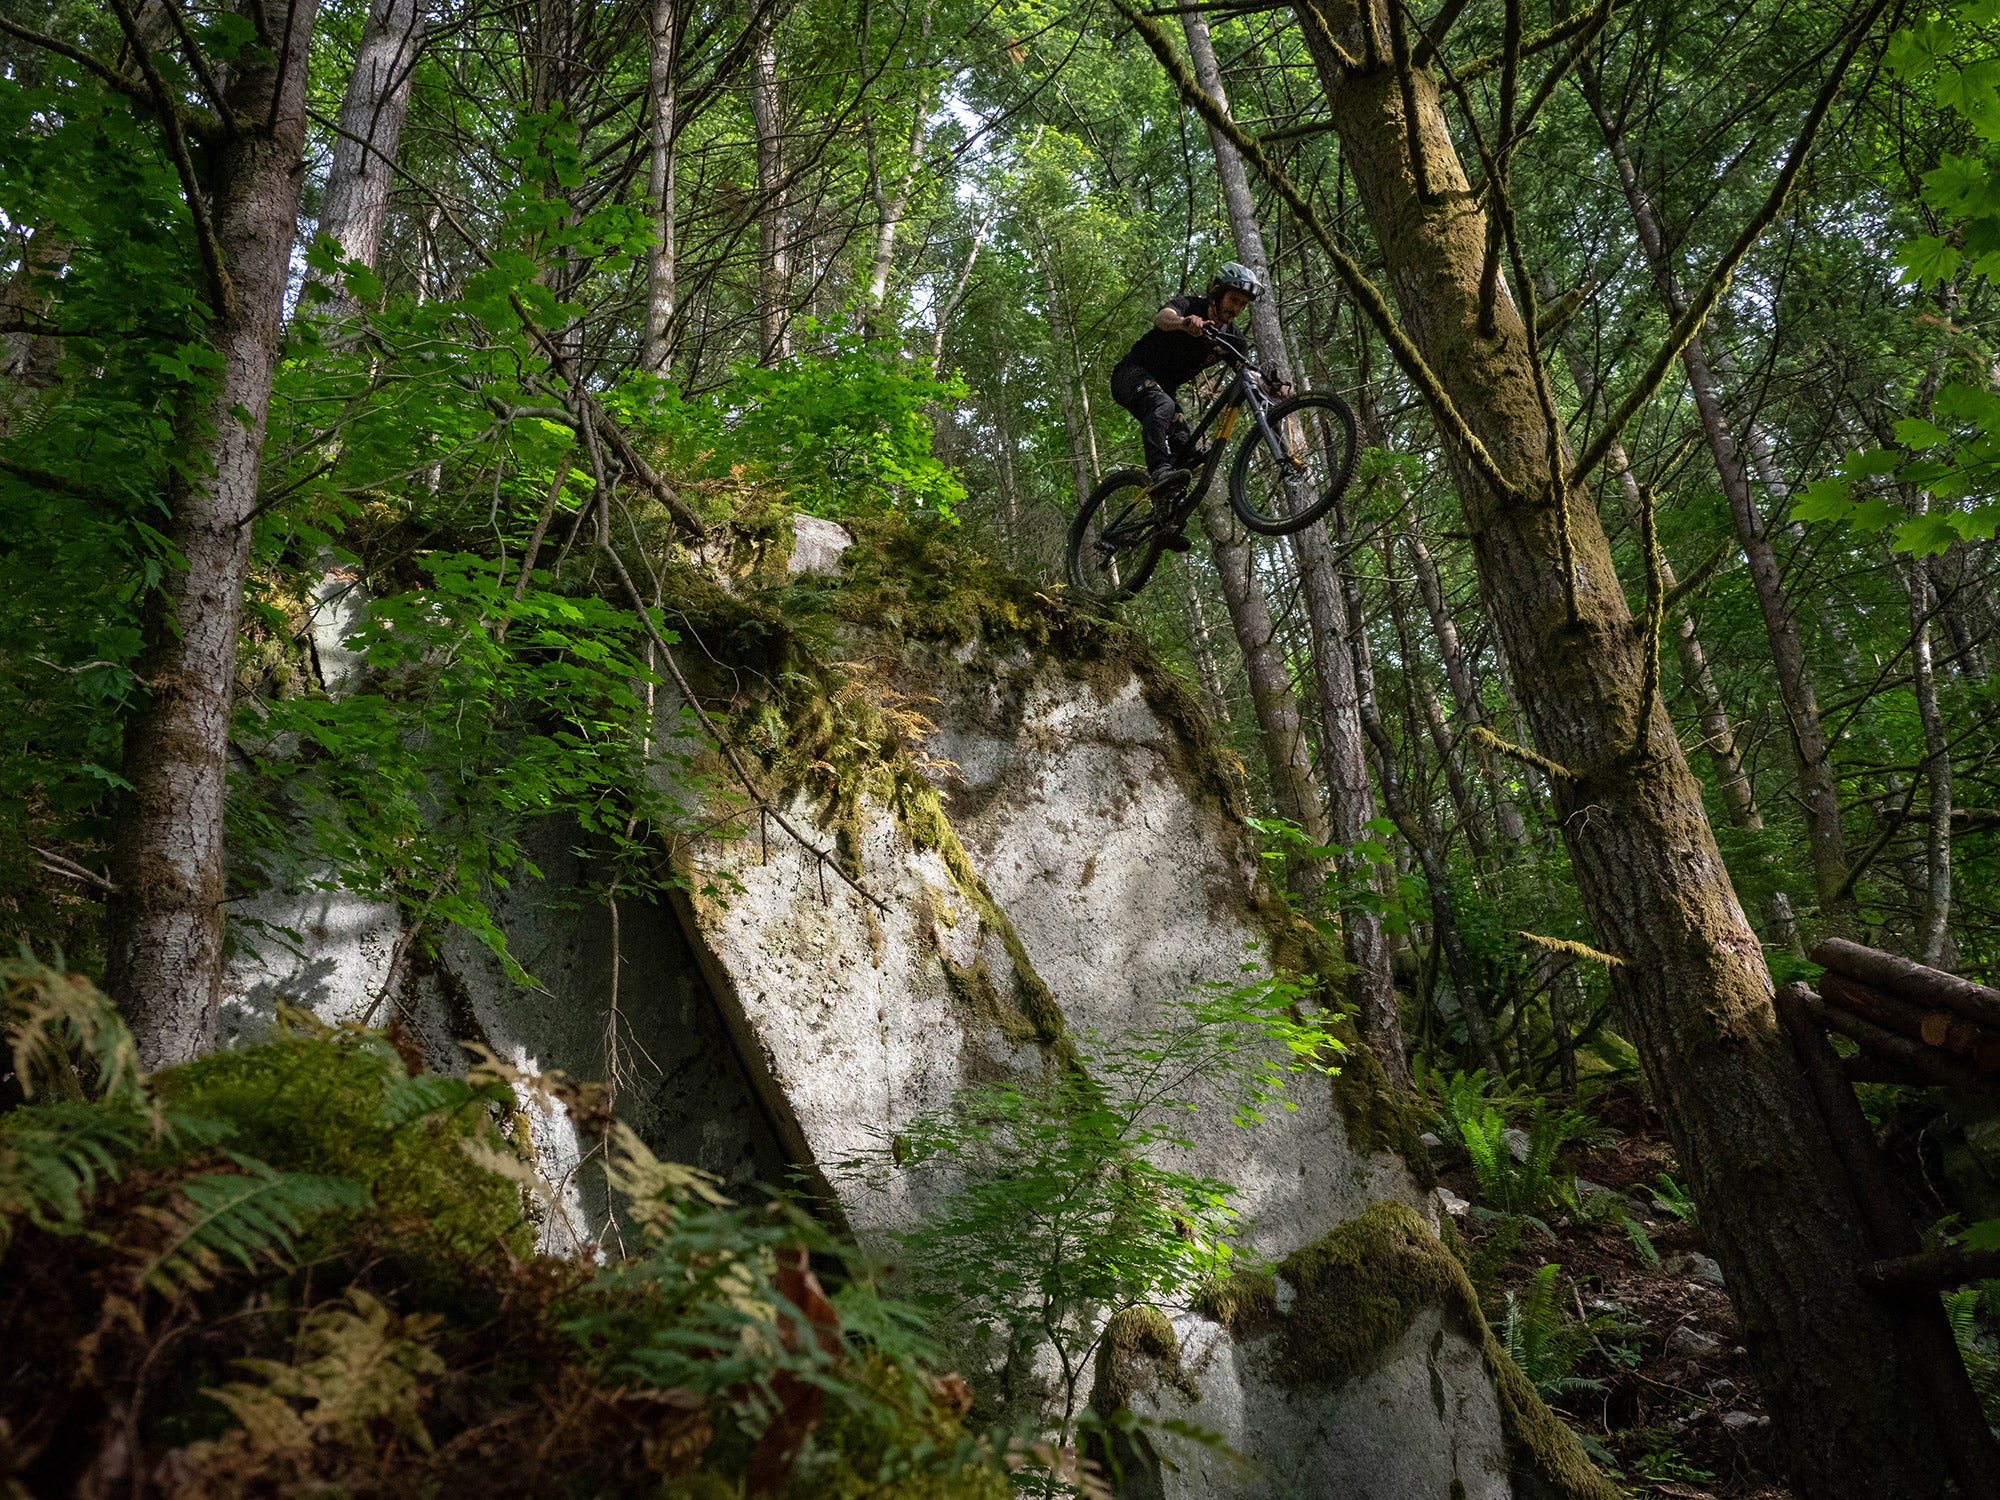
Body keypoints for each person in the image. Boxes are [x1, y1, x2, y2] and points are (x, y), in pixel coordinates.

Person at [1109, 262, 1278, 519]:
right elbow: (1162, 318)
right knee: (1162, 406)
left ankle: (1164, 520)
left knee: (1189, 453)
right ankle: (1158, 470)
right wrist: (1183, 322)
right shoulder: (1189, 306)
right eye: (1233, 299)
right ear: (1217, 293)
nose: (1236, 309)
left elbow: (1248, 373)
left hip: (1164, 390)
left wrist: (1274, 388)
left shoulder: (1233, 339)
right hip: (1131, 375)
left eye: (1243, 305)